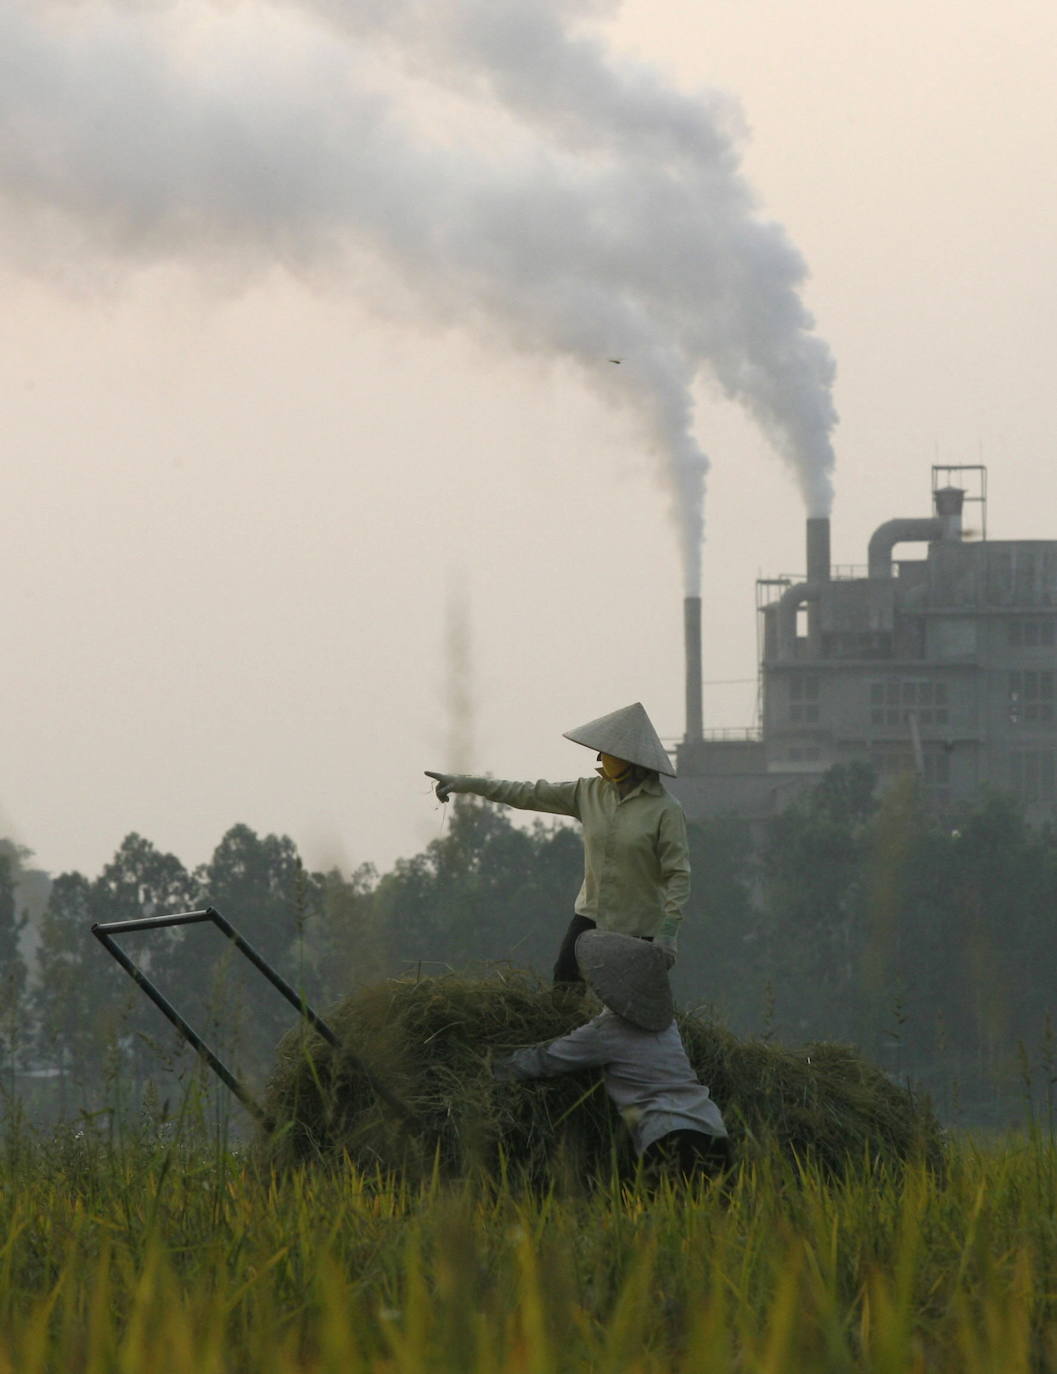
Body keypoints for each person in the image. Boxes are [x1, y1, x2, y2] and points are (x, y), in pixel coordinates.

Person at [425, 701, 690, 985]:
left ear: (633, 761)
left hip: (639, 926)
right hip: (592, 916)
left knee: (630, 1001)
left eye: (612, 754)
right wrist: (465, 784)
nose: (603, 758)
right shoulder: (588, 793)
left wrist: (668, 932)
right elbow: (527, 793)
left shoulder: (665, 809)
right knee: (565, 983)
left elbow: (678, 875)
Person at [491, 929, 730, 1181]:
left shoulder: (605, 1033)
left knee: (661, 1215)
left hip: (668, 1139)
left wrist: (493, 1067)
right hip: (713, 1132)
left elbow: (546, 1059)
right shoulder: (667, 1025)